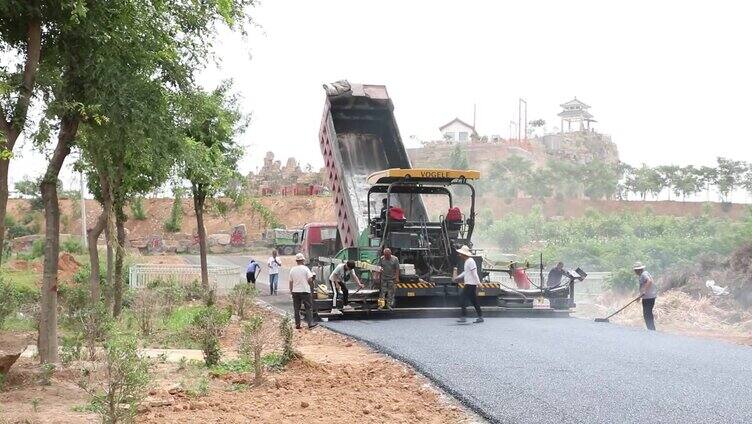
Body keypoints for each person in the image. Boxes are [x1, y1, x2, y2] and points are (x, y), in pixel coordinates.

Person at [453, 245, 483, 323]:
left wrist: (478, 283)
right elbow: (465, 272)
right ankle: (480, 316)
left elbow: (474, 273)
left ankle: (464, 316)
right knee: (474, 301)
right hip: (469, 284)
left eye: (460, 254)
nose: (459, 255)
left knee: (463, 298)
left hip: (471, 284)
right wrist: (458, 277)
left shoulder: (471, 261)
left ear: (464, 254)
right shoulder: (467, 261)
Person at [289, 253, 317, 329]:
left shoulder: (292, 269)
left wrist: (291, 291)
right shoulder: (305, 269)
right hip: (305, 291)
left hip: (295, 291)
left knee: (296, 309)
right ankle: (310, 323)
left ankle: (297, 324)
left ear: (296, 261)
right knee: (308, 307)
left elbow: (290, 282)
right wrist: (312, 286)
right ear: (303, 260)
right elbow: (310, 279)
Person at [633, 261, 657, 331]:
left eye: (636, 270)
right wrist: (639, 296)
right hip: (648, 297)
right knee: (647, 313)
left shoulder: (644, 274)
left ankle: (651, 330)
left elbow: (649, 281)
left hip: (648, 298)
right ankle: (651, 329)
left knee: (647, 314)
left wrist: (644, 291)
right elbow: (644, 286)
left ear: (638, 270)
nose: (635, 272)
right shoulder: (643, 275)